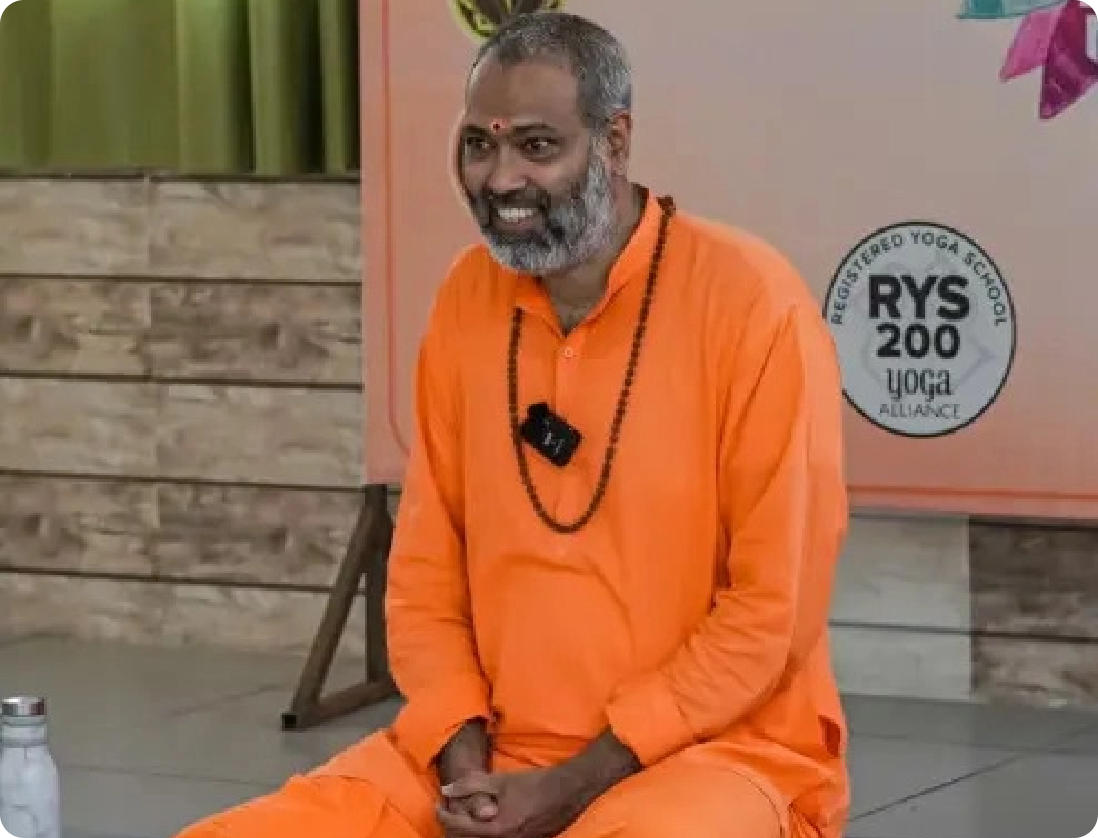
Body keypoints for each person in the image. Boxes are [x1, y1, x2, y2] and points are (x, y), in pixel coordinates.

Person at [174, 10, 850, 838]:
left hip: (708, 760)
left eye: (536, 147)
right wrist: (470, 771)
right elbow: (424, 579)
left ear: (615, 141)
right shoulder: (467, 298)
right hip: (484, 754)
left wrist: (569, 786)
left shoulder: (754, 305)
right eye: (477, 145)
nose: (498, 181)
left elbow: (767, 617)